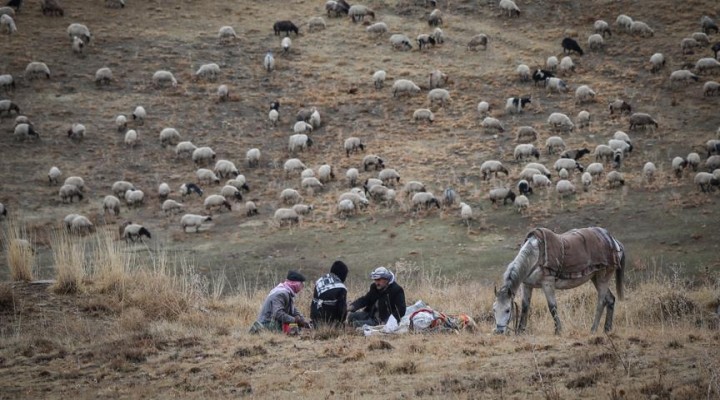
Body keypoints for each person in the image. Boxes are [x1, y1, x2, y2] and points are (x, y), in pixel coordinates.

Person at [310, 260, 349, 328]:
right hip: (329, 324)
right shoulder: (341, 287)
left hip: (314, 320)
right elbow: (341, 312)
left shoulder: (320, 281)